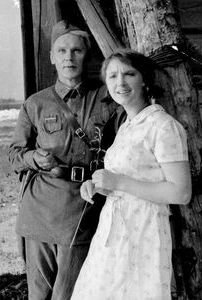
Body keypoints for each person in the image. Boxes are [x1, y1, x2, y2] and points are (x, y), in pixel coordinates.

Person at [8, 20, 124, 300]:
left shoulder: (108, 99)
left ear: (87, 54)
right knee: (39, 295)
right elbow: (14, 156)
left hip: (84, 210)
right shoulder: (35, 104)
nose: (68, 58)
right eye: (61, 51)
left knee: (72, 294)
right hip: (40, 211)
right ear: (52, 57)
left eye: (76, 51)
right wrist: (34, 157)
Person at [70, 49, 192, 300]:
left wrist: (118, 182)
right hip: (113, 230)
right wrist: (98, 186)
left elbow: (181, 192)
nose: (120, 83)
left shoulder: (163, 126)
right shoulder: (127, 125)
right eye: (112, 76)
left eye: (129, 74)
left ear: (144, 79)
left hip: (143, 231)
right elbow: (128, 178)